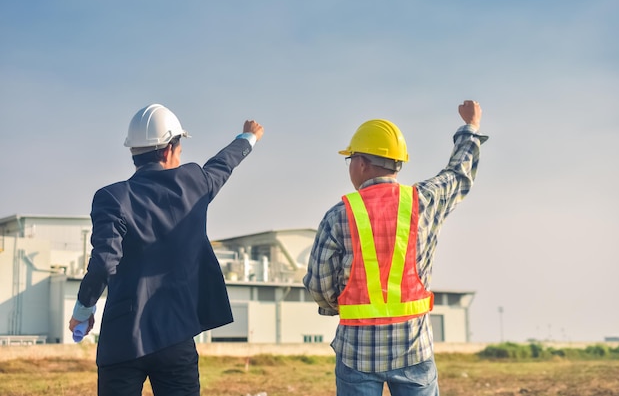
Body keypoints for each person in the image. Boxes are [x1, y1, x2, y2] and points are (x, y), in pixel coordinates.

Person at [68, 103, 264, 396]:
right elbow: (222, 164)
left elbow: (102, 264)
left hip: (123, 338)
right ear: (169, 149)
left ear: (134, 150)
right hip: (176, 335)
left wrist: (84, 309)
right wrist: (247, 138)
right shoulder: (194, 183)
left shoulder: (111, 198)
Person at [303, 100, 487, 396]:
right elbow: (459, 175)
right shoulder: (424, 201)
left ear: (361, 163)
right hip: (414, 349)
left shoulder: (339, 215)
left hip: (357, 352)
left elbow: (318, 284)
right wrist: (470, 126)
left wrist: (340, 306)